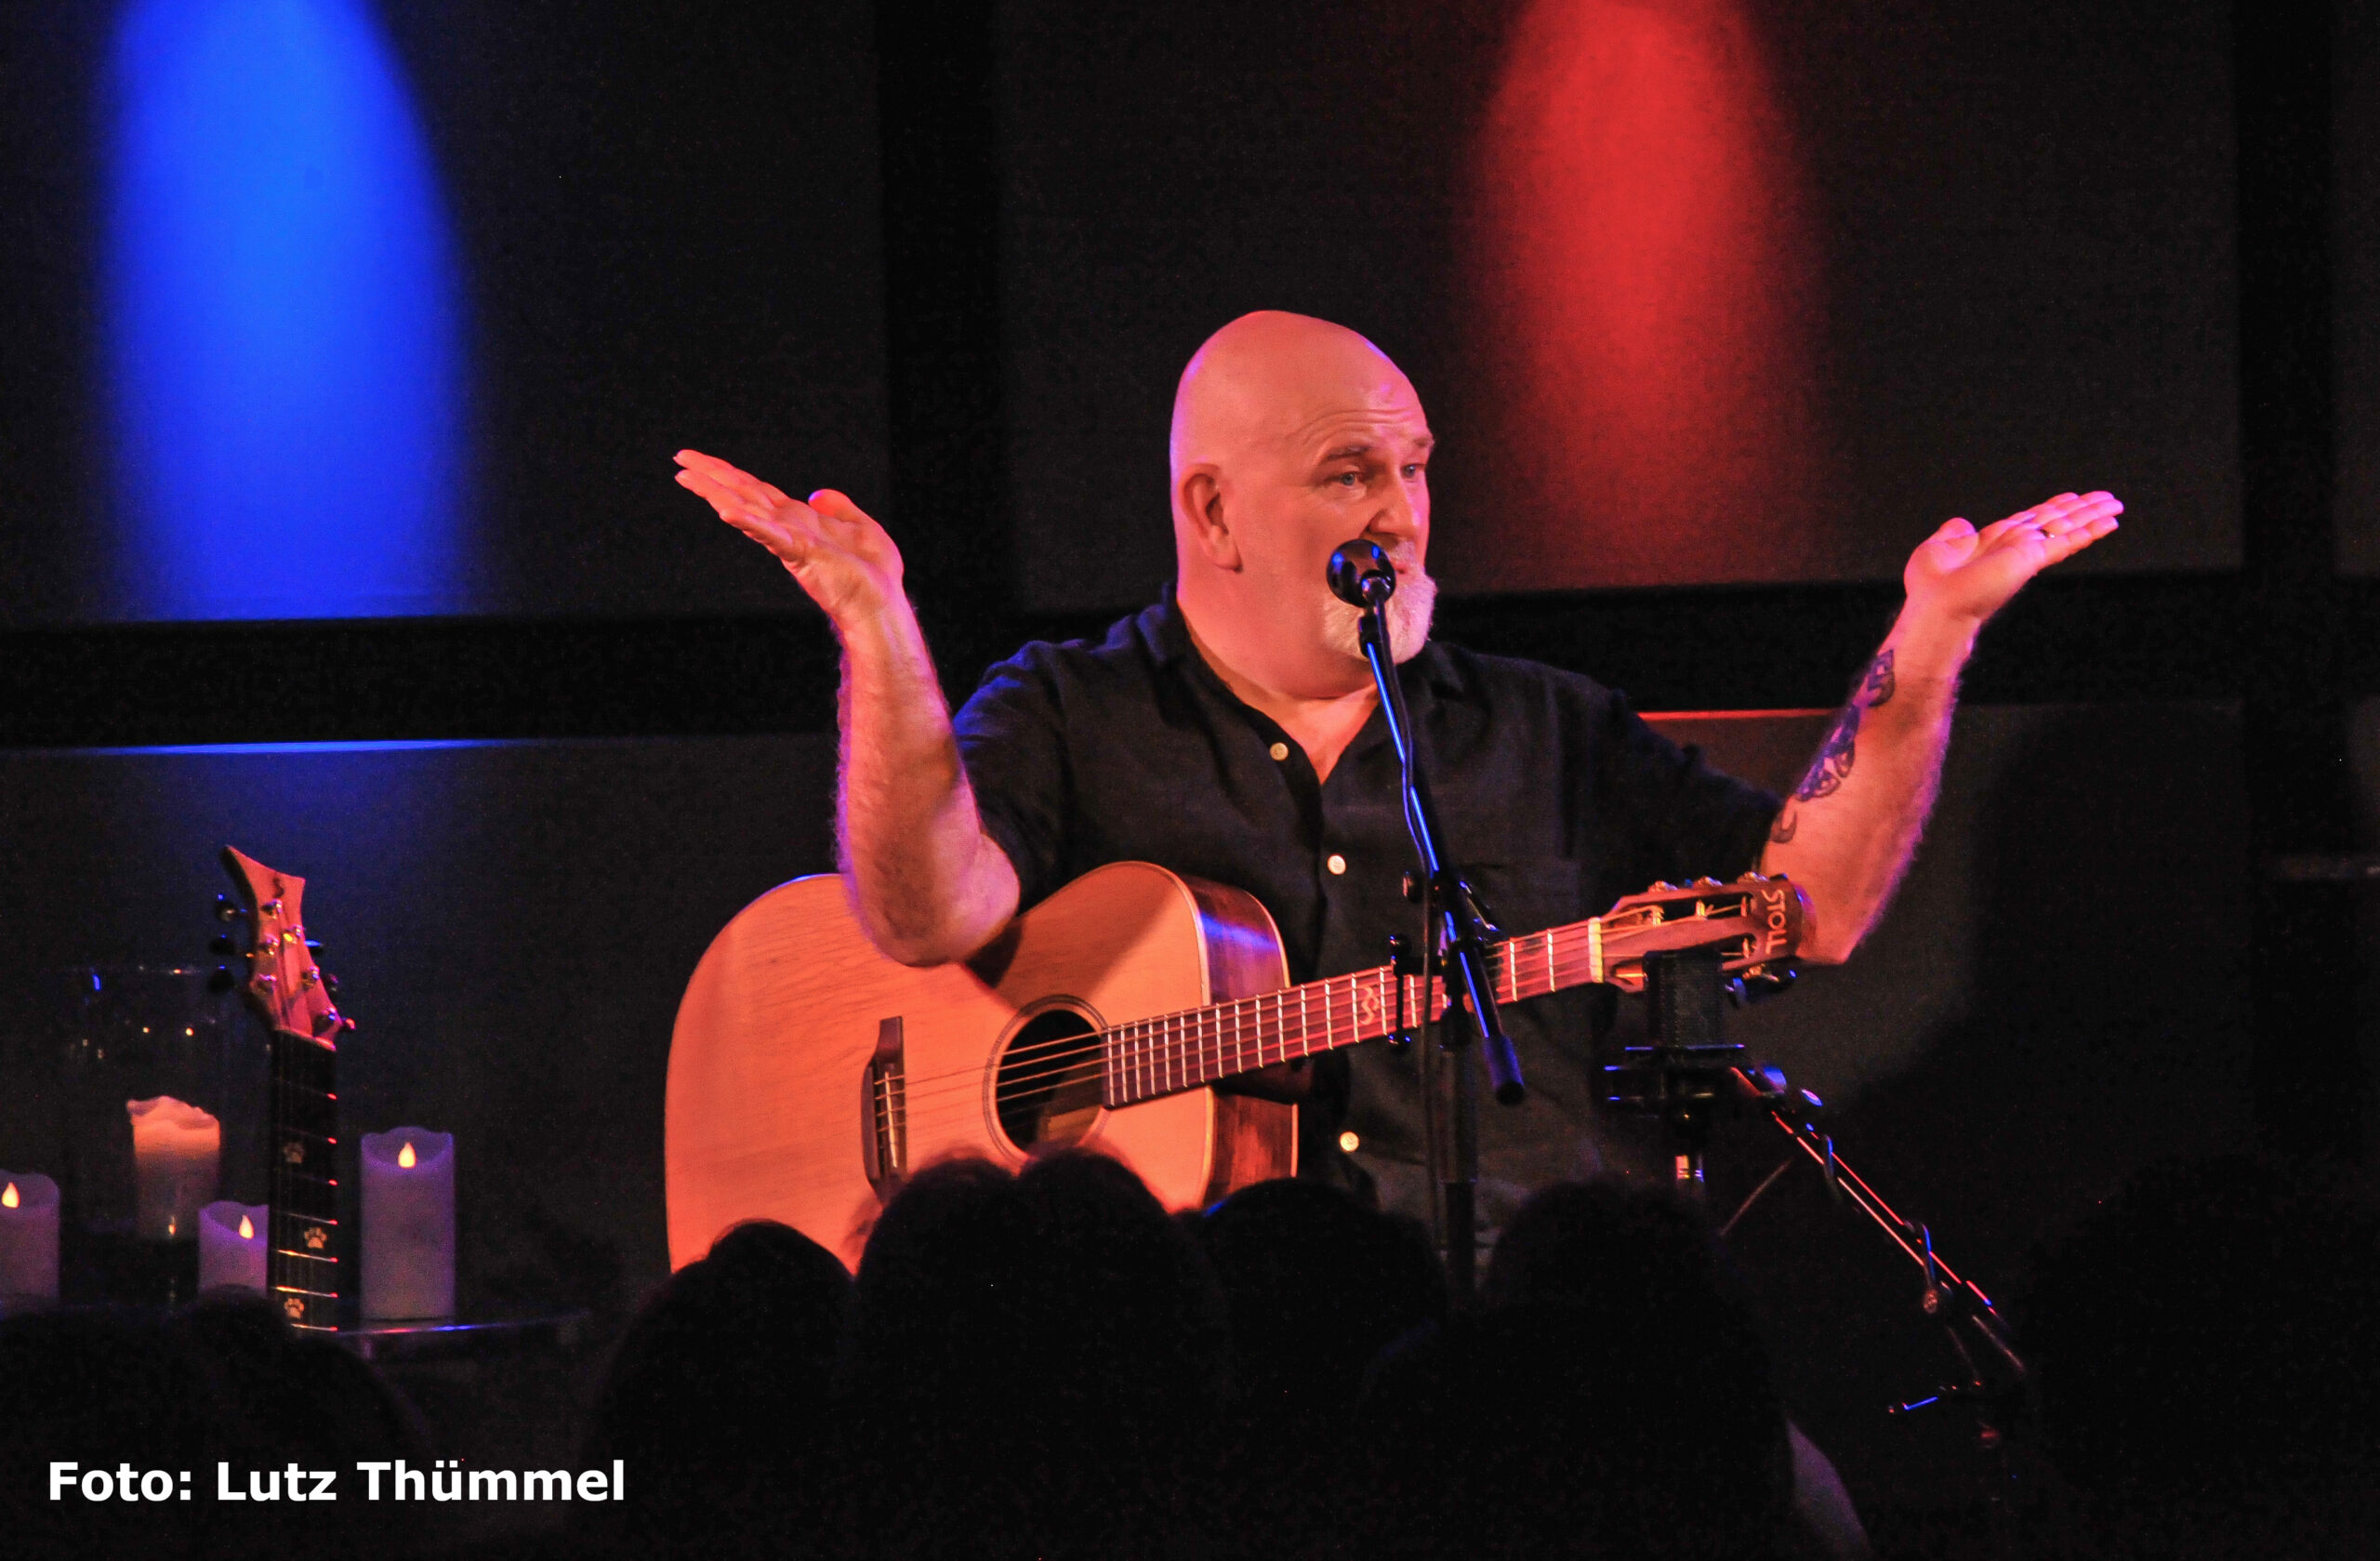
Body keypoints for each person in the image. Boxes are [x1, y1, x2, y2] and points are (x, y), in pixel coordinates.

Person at [673, 310, 2119, 1223]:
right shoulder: (1070, 713)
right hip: (1195, 1374)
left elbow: (1813, 907)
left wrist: (1931, 641)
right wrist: (879, 630)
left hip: (1514, 1361)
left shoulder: (1543, 728)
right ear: (1214, 514)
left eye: (1414, 468)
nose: (1403, 517)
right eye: (1349, 476)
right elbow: (924, 914)